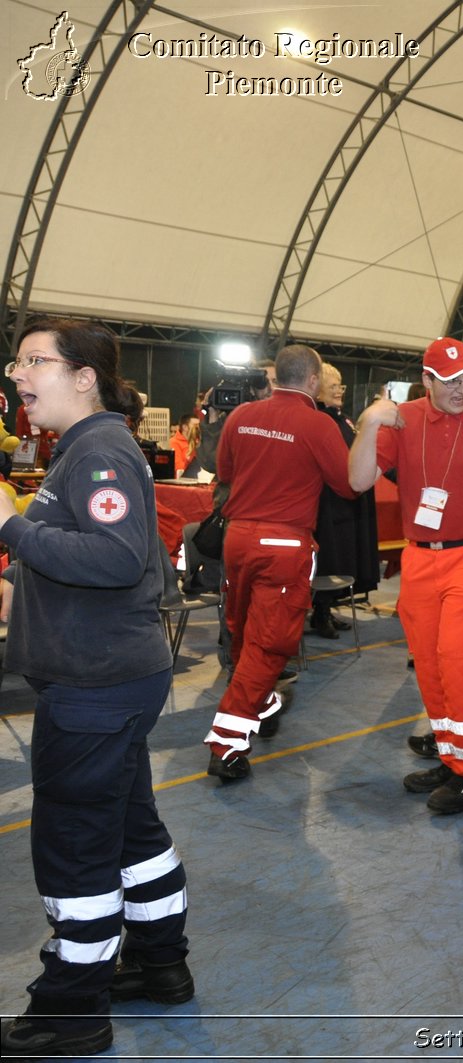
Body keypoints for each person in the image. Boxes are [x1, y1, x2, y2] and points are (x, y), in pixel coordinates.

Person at [0, 319, 192, 1059]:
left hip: (95, 683)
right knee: (130, 828)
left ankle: (71, 1007)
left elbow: (113, 558)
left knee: (76, 843)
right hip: (113, 675)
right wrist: (20, 579)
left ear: (85, 377)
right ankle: (159, 960)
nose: (19, 374)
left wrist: (11, 529)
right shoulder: (81, 449)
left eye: (35, 361)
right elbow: (92, 550)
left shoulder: (99, 450)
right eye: (17, 361)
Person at [348, 338, 463, 813]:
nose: (461, 389)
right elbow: (358, 480)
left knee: (459, 659)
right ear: (426, 380)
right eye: (449, 381)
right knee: (428, 661)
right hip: (420, 558)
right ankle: (453, 755)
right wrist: (368, 424)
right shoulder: (403, 421)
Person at [203, 345, 356, 780]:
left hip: (238, 538)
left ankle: (262, 701)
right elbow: (347, 485)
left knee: (242, 631)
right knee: (268, 645)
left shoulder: (240, 416)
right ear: (312, 380)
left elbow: (225, 472)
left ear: (275, 378)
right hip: (284, 544)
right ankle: (227, 743)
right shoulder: (318, 424)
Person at [308, 361, 379, 640]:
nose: (338, 391)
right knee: (330, 558)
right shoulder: (321, 420)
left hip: (347, 502)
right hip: (329, 504)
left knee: (343, 558)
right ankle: (321, 612)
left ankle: (326, 609)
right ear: (317, 387)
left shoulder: (343, 419)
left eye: (340, 385)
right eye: (333, 385)